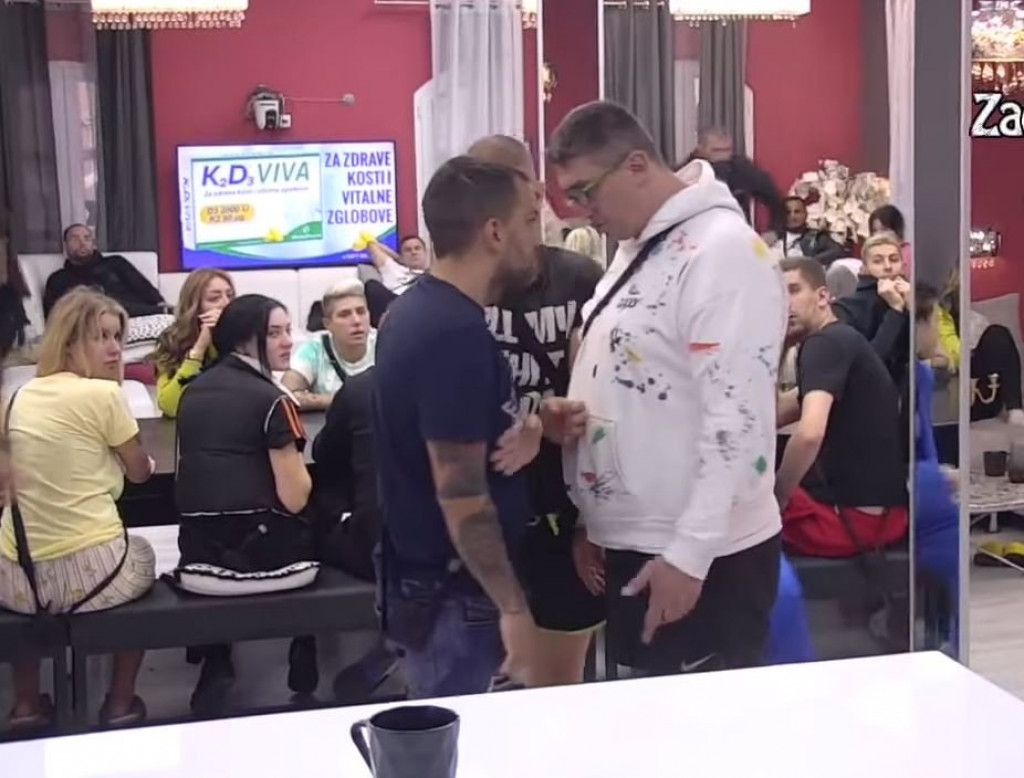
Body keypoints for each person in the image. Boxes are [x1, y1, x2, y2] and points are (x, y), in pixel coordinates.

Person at [549, 101, 786, 675]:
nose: (582, 211)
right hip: (636, 540)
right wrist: (590, 515)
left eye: (585, 192)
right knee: (645, 720)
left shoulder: (723, 252)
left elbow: (736, 418)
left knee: (702, 724)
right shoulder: (638, 247)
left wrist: (690, 554)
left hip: (702, 552)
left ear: (636, 165)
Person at [372, 156, 545, 698]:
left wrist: (538, 426)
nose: (537, 239)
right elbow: (462, 494)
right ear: (494, 232)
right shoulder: (452, 334)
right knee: (464, 739)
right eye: (529, 222)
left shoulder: (418, 311)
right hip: (458, 596)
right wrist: (511, 606)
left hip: (431, 583)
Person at [467, 134, 606, 686]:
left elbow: (607, 405)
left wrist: (592, 520)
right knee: (486, 673)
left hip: (564, 503)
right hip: (486, 505)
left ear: (534, 195)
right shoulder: (458, 290)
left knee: (559, 681)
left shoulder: (581, 278)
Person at [0, 289, 156, 730]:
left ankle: (26, 705)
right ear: (68, 343)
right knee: (145, 558)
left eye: (117, 337)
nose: (114, 348)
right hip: (94, 575)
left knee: (25, 581)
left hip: (15, 578)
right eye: (100, 337)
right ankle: (119, 703)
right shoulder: (103, 396)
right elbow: (140, 473)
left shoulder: (17, 395)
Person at [175, 294, 315, 716]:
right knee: (317, 513)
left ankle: (217, 659)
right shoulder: (274, 400)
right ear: (244, 339)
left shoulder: (190, 393)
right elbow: (294, 499)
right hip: (264, 556)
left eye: (288, 330)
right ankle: (306, 644)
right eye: (274, 333)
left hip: (197, 552)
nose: (288, 341)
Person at [775, 259, 908, 557]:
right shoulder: (843, 340)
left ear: (823, 296)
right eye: (777, 296)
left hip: (850, 523)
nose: (785, 304)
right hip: (887, 517)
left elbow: (809, 435)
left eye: (793, 290)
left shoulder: (824, 344)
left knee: (735, 511)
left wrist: (778, 498)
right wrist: (779, 345)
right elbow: (773, 415)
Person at [152, 268, 235, 418]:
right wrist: (199, 348)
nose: (226, 303)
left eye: (230, 296)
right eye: (214, 298)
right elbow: (170, 406)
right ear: (195, 306)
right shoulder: (172, 340)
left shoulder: (244, 339)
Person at [283, 280, 375, 412]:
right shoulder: (314, 349)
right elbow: (287, 395)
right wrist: (342, 400)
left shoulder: (385, 343)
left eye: (361, 312)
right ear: (327, 324)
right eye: (344, 314)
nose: (356, 321)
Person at [42, 224, 166, 319]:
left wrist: (161, 305)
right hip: (96, 325)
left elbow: (144, 288)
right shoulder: (58, 279)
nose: (82, 243)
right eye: (75, 239)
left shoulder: (116, 262)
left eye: (87, 238)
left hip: (140, 316)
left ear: (93, 243)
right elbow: (54, 315)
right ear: (65, 245)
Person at [832, 231, 910, 382]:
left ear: (903, 265)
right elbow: (868, 363)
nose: (888, 267)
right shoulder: (847, 306)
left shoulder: (911, 297)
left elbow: (925, 351)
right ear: (865, 268)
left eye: (894, 259)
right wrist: (895, 311)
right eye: (878, 261)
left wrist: (915, 308)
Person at [687, 126, 785, 232]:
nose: (723, 156)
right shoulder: (687, 172)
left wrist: (773, 232)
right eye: (716, 151)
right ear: (701, 150)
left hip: (739, 233)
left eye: (727, 150)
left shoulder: (742, 168)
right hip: (701, 234)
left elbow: (776, 200)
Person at [771, 196, 847, 266]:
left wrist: (810, 262)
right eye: (788, 212)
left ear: (805, 214)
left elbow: (837, 251)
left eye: (797, 212)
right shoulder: (774, 239)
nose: (792, 216)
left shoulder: (816, 237)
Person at [869, 204, 911, 272]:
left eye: (884, 230)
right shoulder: (871, 255)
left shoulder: (906, 253)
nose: (878, 235)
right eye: (875, 231)